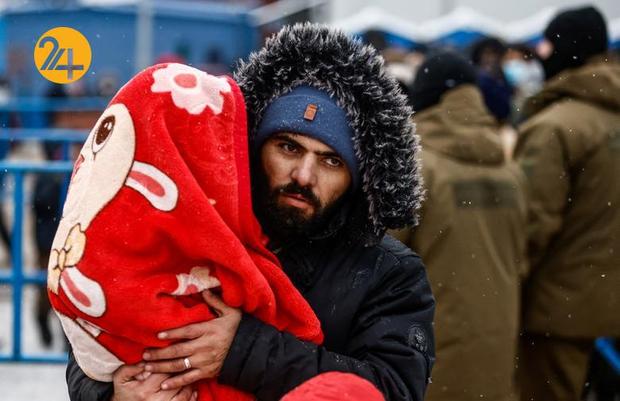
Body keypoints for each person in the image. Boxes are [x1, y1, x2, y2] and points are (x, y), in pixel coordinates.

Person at [65, 23, 435, 401]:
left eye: (330, 161)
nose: (303, 176)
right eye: (288, 147)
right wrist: (112, 396)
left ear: (357, 178)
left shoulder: (388, 274)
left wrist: (242, 350)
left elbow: (392, 389)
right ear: (253, 148)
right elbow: (97, 341)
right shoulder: (188, 226)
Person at [393, 51, 527, 401]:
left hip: (428, 353)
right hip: (498, 346)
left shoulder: (417, 167)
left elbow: (377, 261)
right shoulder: (510, 170)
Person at [513, 6, 620, 401]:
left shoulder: (555, 127)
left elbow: (529, 226)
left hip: (559, 314)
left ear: (564, 50)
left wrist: (499, 294)